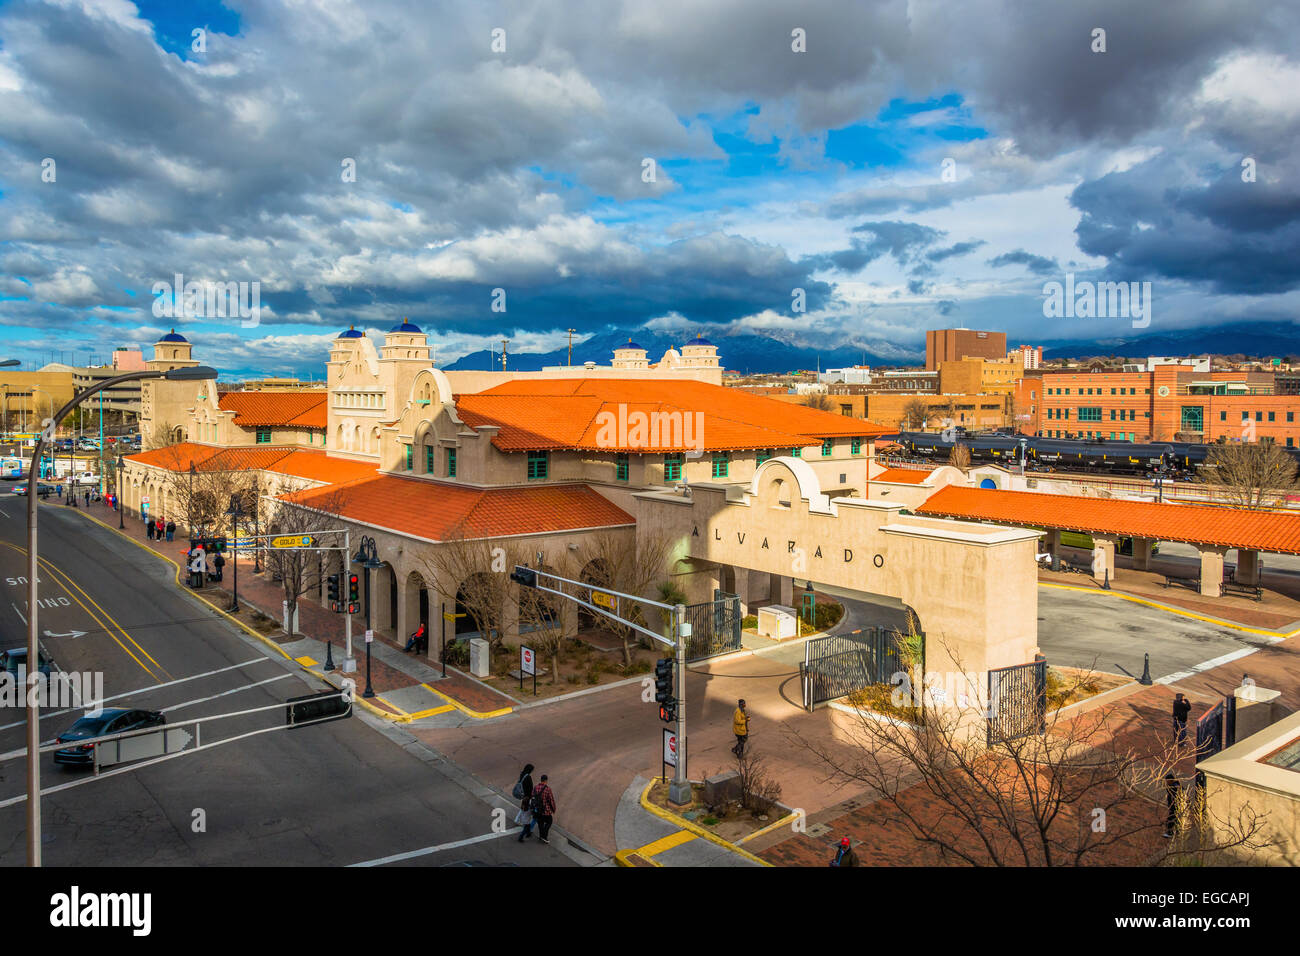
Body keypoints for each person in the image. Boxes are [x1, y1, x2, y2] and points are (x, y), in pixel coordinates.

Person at [531, 774, 556, 845]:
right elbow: (551, 800)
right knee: (549, 822)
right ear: (546, 780)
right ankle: (544, 836)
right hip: (545, 810)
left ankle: (541, 836)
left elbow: (532, 797)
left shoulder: (535, 788)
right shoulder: (547, 789)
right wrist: (553, 809)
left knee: (540, 823)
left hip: (537, 810)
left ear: (541, 780)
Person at [514, 764, 535, 841]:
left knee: (526, 816)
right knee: (527, 818)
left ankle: (528, 832)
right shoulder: (528, 777)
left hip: (524, 798)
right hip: (528, 799)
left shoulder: (522, 775)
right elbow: (531, 789)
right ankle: (521, 836)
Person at [1163, 772, 1180, 838]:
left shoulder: (1175, 786)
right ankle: (1176, 831)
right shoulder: (1171, 786)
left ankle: (1170, 832)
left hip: (1175, 806)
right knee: (1174, 819)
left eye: (1167, 781)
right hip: (1172, 806)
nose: (1166, 783)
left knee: (1171, 820)